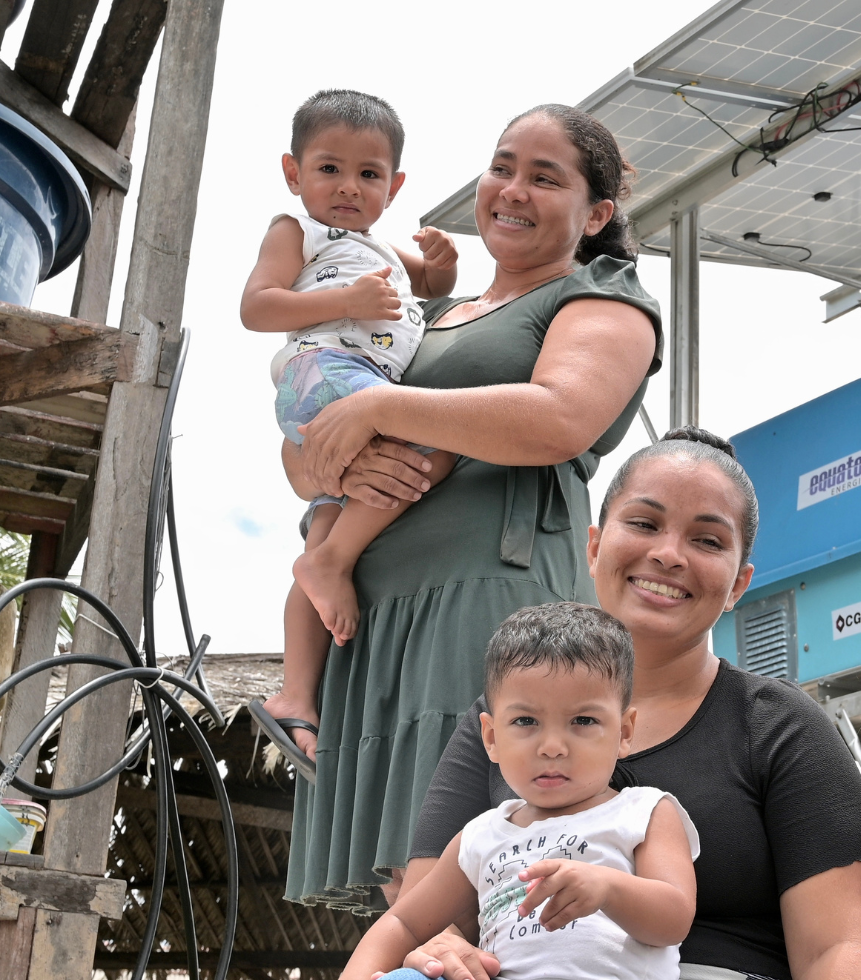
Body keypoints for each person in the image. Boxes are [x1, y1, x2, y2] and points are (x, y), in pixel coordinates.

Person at [279, 103, 664, 911]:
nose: (512, 190)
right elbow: (313, 443)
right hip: (372, 617)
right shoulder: (429, 316)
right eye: (502, 166)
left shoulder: (601, 298)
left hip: (486, 598)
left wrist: (381, 413)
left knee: (478, 874)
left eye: (544, 177)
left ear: (596, 213)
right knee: (402, 893)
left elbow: (558, 417)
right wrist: (336, 444)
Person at [397, 429, 861, 980]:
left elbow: (835, 951)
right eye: (645, 524)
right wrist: (439, 950)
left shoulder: (782, 728)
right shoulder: (497, 718)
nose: (668, 555)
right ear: (596, 545)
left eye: (707, 541)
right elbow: (420, 921)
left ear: (739, 583)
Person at [240, 89, 461, 774]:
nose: (347, 187)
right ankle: (333, 564)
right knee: (436, 438)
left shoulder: (383, 248)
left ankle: (296, 695)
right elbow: (256, 307)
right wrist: (345, 301)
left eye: (368, 175)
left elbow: (427, 282)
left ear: (393, 187)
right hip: (326, 373)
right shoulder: (296, 233)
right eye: (329, 168)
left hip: (353, 390)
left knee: (326, 521)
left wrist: (442, 263)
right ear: (293, 173)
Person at [346, 603, 701, 980]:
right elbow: (403, 923)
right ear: (492, 737)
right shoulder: (481, 836)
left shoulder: (644, 812)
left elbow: (675, 917)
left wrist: (608, 888)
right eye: (525, 721)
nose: (551, 746)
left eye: (583, 720)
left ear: (624, 733)